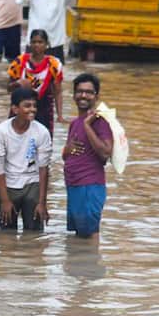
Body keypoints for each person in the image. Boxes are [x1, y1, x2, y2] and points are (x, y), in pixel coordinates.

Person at [0, 88, 52, 231]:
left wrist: (42, 202)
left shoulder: (42, 132)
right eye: (27, 106)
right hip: (9, 185)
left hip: (33, 183)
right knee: (6, 234)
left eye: (34, 105)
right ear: (15, 109)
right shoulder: (1, 131)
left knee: (34, 234)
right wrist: (5, 200)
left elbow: (44, 168)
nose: (32, 109)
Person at [62, 73, 113, 240]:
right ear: (74, 95)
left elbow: (105, 153)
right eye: (79, 91)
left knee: (90, 238)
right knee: (79, 240)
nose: (83, 95)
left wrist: (87, 125)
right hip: (74, 187)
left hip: (90, 187)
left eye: (89, 92)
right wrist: (67, 150)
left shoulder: (100, 121)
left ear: (96, 96)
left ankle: (92, 267)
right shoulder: (74, 123)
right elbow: (66, 155)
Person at [16, 0, 82, 63]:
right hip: (34, 44)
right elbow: (18, 0)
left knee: (55, 77)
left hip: (55, 45)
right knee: (29, 74)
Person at [7, 29, 66, 137]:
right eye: (34, 42)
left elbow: (57, 92)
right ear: (30, 44)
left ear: (46, 44)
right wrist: (17, 84)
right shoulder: (19, 62)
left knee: (43, 141)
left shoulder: (54, 64)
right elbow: (8, 88)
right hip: (20, 110)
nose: (36, 45)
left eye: (40, 42)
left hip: (44, 110)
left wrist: (60, 115)